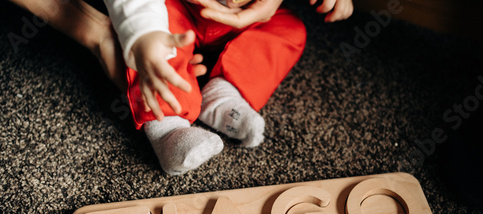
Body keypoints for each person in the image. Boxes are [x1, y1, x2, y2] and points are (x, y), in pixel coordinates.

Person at [105, 0, 353, 175]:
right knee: (152, 47)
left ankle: (223, 94)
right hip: (176, 9)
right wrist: (143, 32)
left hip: (251, 15)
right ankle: (167, 129)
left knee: (289, 29)